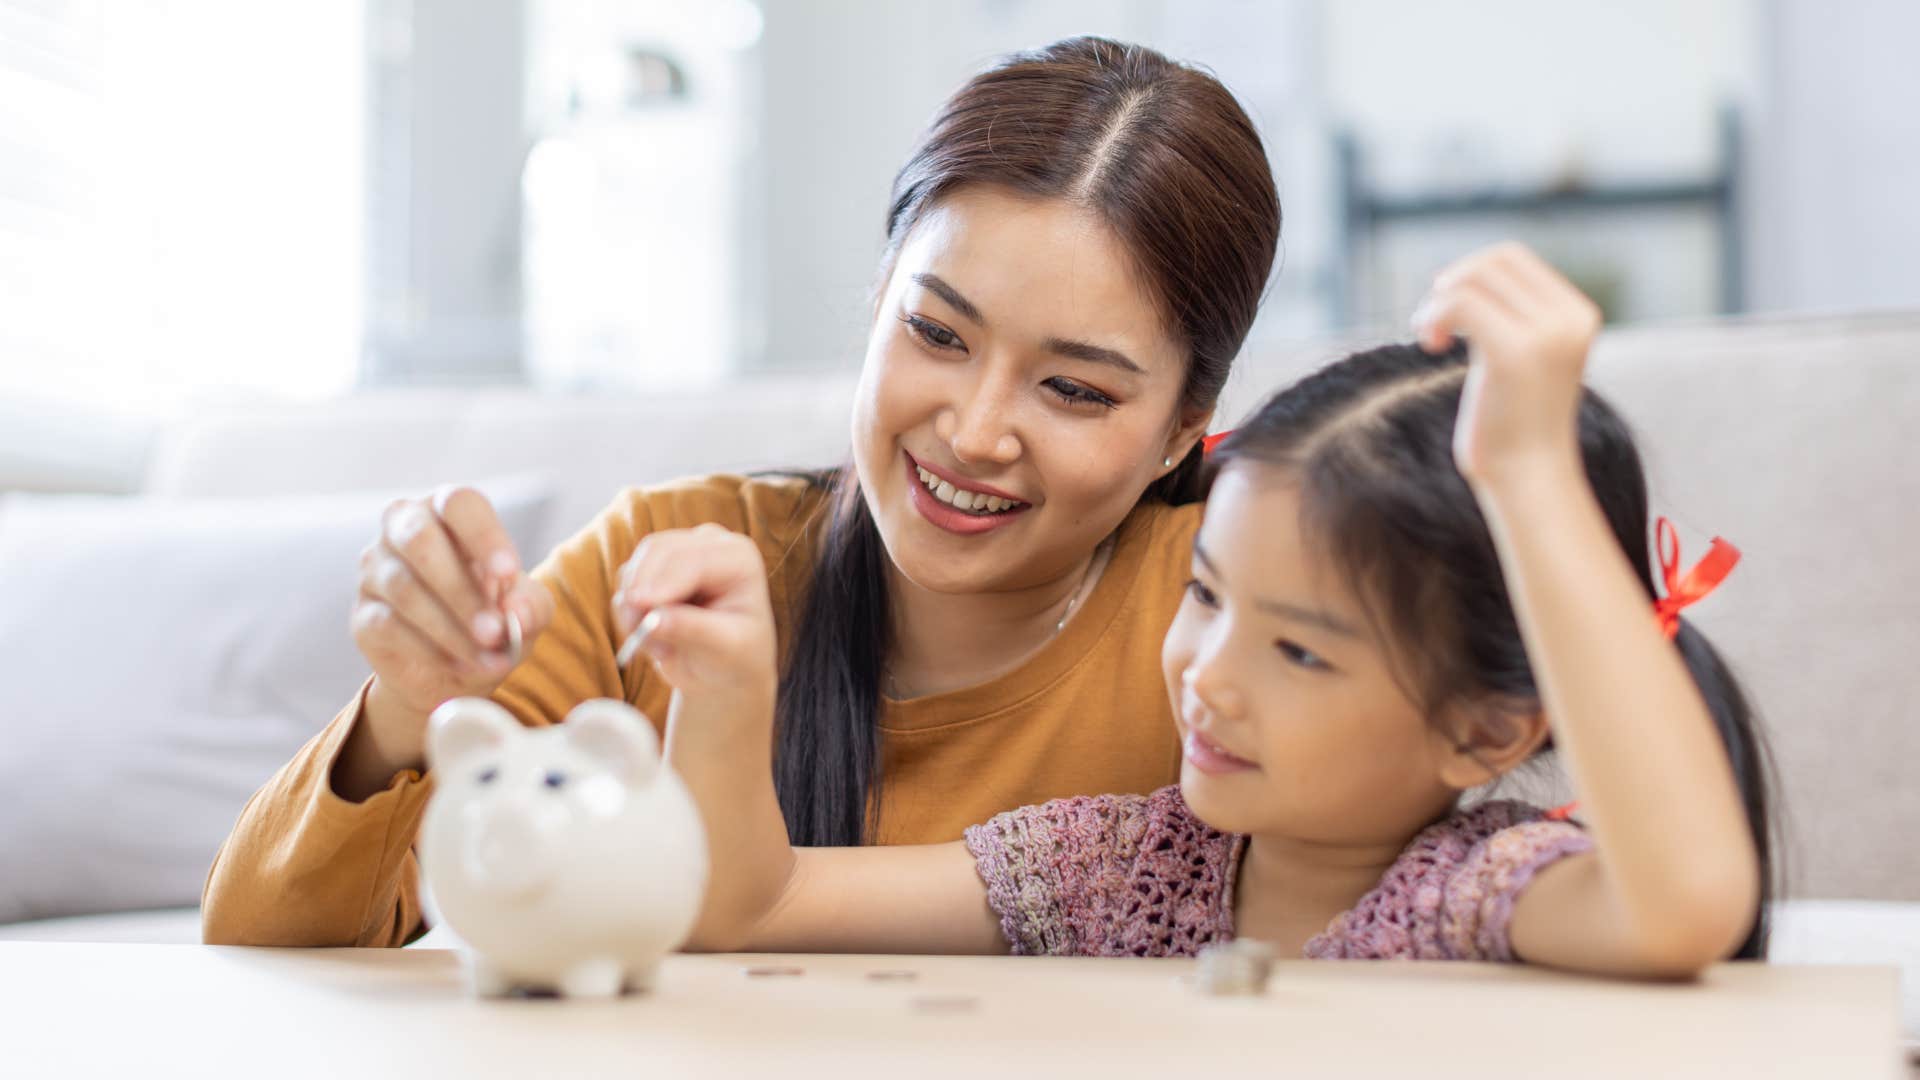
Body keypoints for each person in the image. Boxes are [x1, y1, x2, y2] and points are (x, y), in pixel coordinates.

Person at [201, 36, 1282, 947]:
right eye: (936, 332)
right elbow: (261, 942)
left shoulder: (1230, 627)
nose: (974, 430)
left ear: (1182, 429)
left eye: (1074, 389)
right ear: (875, 301)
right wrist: (404, 706)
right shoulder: (669, 563)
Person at [631, 244, 1775, 974]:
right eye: (1208, 596)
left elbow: (1685, 905)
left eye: (1298, 651)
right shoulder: (1127, 868)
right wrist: (728, 693)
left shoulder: (1473, 896)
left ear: (1484, 727)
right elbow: (750, 905)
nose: (1208, 673)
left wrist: (1526, 475)